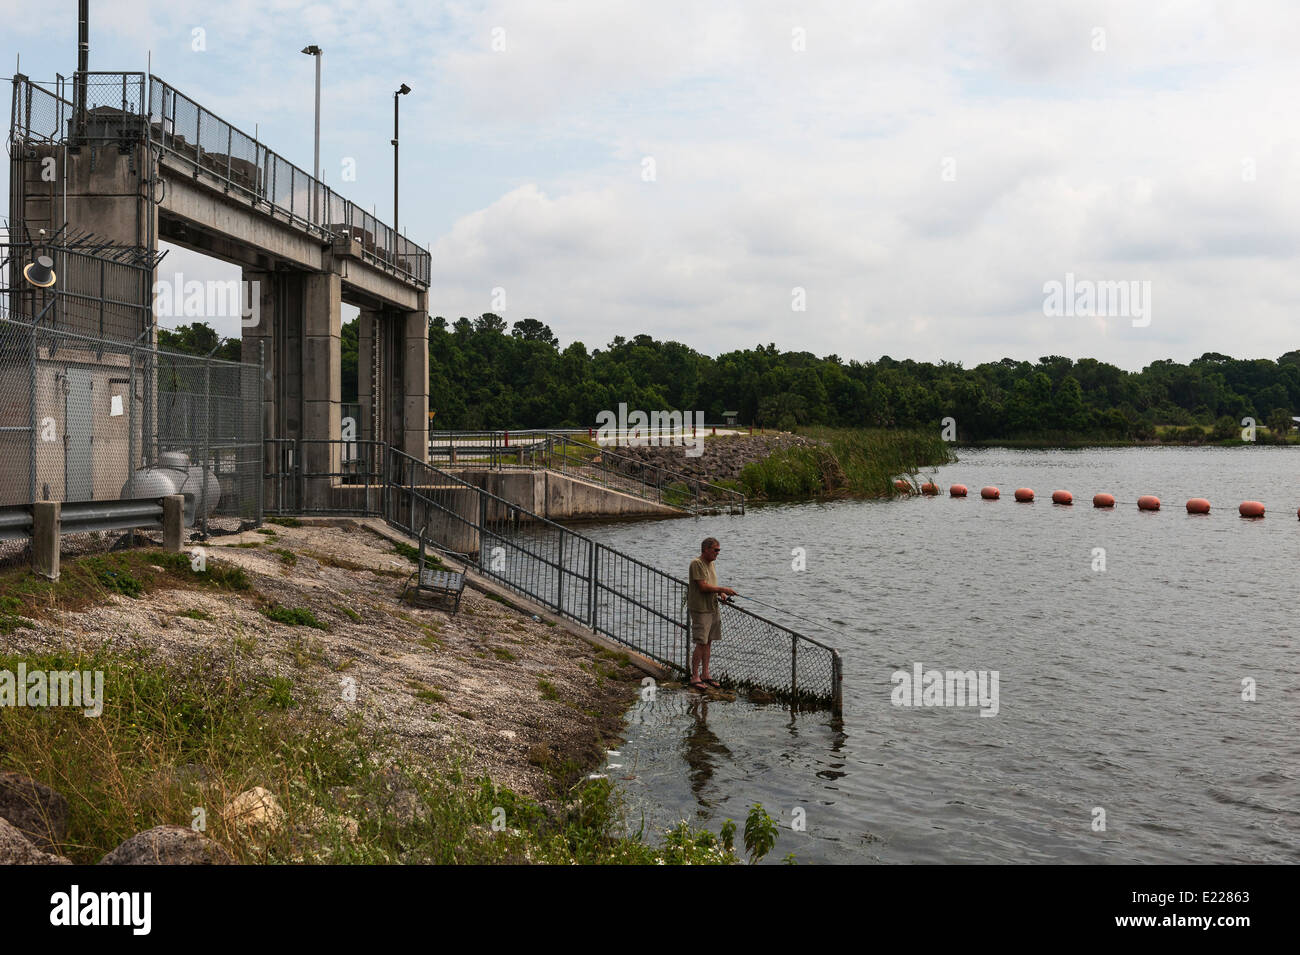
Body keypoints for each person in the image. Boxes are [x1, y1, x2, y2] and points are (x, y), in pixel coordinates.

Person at [687, 537, 737, 691]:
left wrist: (721, 593)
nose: (718, 553)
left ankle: (705, 674)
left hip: (712, 607)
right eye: (716, 550)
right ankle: (694, 676)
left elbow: (711, 585)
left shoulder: (712, 564)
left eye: (719, 550)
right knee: (701, 642)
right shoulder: (697, 563)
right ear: (706, 549)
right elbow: (702, 587)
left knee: (709, 641)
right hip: (701, 609)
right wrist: (724, 588)